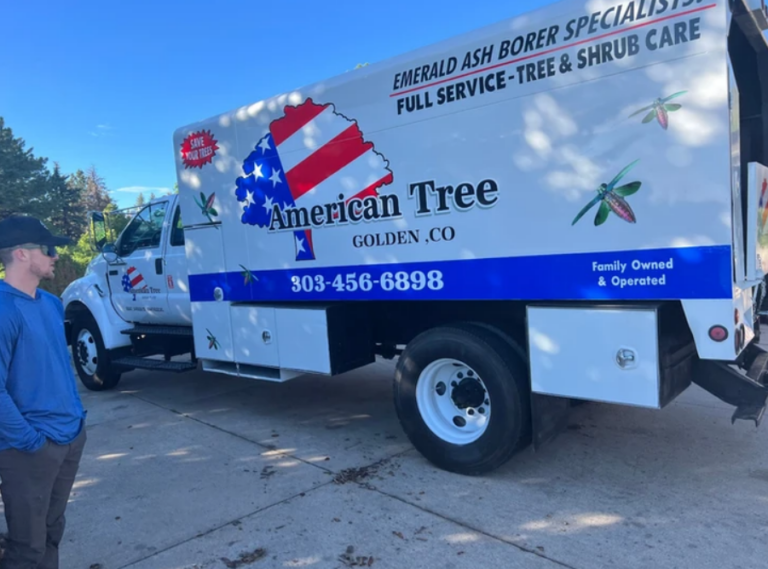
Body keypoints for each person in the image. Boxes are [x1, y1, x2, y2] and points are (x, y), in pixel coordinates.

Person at [0, 215, 87, 569]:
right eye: (48, 249)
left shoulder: (51, 304)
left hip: (70, 438)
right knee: (26, 548)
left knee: (52, 532)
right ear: (21, 254)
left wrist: (78, 420)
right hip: (28, 450)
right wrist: (32, 442)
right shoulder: (4, 310)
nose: (55, 256)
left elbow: (58, 367)